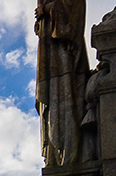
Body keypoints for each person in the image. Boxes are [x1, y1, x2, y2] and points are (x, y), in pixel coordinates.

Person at [35, 0, 89, 167]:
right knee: (52, 103)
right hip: (50, 55)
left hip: (64, 54)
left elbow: (74, 7)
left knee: (67, 98)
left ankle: (69, 156)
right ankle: (54, 156)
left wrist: (46, 9)